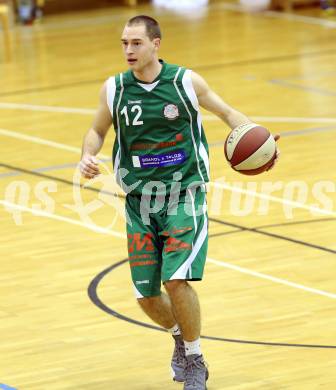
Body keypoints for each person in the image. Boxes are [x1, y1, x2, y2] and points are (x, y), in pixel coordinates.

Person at [80, 15, 279, 390]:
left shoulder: (185, 82)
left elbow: (227, 113)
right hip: (140, 201)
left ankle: (195, 359)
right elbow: (97, 130)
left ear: (156, 43)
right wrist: (86, 156)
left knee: (176, 280)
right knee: (146, 295)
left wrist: (261, 143)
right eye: (124, 43)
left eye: (136, 43)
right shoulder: (114, 89)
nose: (128, 50)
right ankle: (178, 336)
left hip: (184, 194)